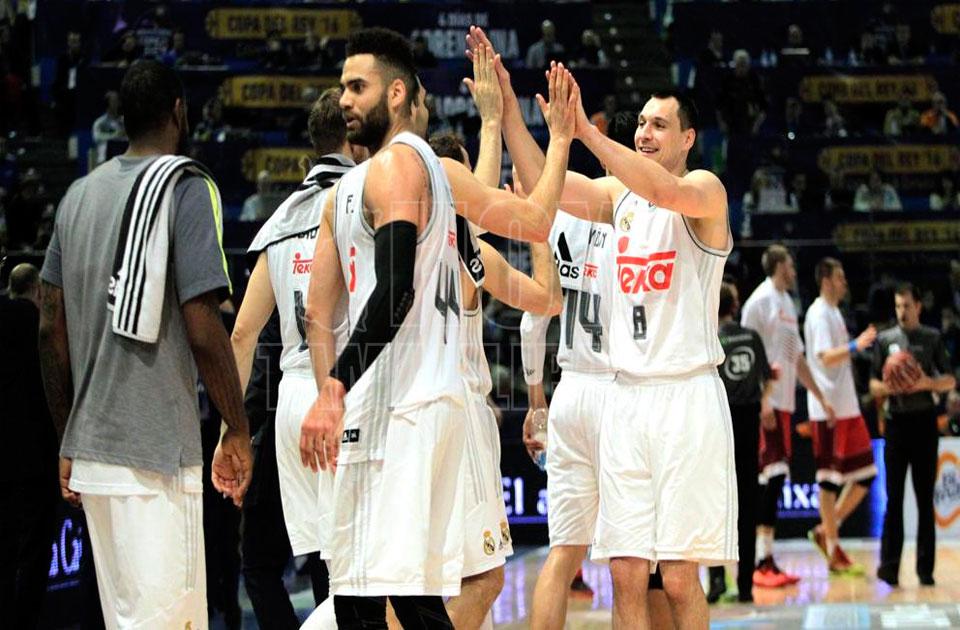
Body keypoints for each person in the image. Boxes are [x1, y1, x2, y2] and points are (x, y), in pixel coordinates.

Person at [299, 27, 573, 628]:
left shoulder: (407, 166)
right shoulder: (351, 191)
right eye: (342, 88)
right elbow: (317, 313)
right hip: (397, 403)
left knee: (389, 594)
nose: (344, 99)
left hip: (410, 407)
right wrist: (331, 396)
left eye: (357, 86)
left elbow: (394, 288)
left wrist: (331, 388)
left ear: (397, 94)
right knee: (375, 594)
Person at [473, 25, 735, 629]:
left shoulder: (705, 189)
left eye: (659, 125)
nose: (645, 132)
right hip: (624, 399)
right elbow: (543, 186)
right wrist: (510, 110)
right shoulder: (617, 196)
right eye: (640, 123)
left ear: (688, 138)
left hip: (686, 397)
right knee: (624, 573)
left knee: (678, 576)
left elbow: (665, 190)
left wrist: (588, 133)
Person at [37, 60, 252, 628]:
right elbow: (203, 323)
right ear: (179, 112)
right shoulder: (185, 187)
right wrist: (237, 425)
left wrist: (66, 434)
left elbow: (49, 328)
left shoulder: (77, 197)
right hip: (154, 454)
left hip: (92, 454)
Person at [429, 41, 565, 629]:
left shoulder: (416, 241)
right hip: (454, 414)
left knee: (428, 584)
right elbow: (546, 295)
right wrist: (491, 122)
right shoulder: (457, 246)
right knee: (482, 580)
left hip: (421, 414)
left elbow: (546, 299)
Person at [230, 87, 361, 627]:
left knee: (320, 562)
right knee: (351, 568)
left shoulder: (280, 217)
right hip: (343, 392)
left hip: (291, 402)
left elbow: (241, 334)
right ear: (355, 137)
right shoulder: (365, 199)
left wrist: (231, 430)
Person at [740, 245, 835, 588]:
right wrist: (762, 401)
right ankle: (758, 560)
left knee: (775, 480)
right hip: (766, 403)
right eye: (791, 265)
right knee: (772, 477)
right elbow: (746, 353)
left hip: (785, 404)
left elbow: (797, 357)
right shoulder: (758, 302)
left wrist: (820, 397)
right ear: (779, 266)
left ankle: (765, 559)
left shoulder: (788, 304)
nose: (794, 270)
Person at [870, 283, 956, 586]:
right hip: (896, 424)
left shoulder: (932, 338)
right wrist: (891, 386)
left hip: (924, 423)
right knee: (893, 498)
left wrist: (924, 384)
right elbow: (872, 385)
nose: (901, 311)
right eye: (898, 306)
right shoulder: (885, 340)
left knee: (923, 498)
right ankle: (889, 566)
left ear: (918, 306)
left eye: (906, 305)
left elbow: (949, 380)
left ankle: (925, 569)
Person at [803, 258, 878, 573]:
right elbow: (825, 358)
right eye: (839, 277)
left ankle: (826, 529)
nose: (844, 282)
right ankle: (833, 549)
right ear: (825, 280)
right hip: (829, 409)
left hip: (848, 406)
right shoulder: (819, 313)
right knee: (829, 481)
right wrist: (856, 345)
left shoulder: (834, 312)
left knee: (866, 474)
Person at [0, 263, 59, 628]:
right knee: (34, 553)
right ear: (39, 291)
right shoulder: (40, 327)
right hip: (36, 457)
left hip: (6, 458)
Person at [708, 281, 774, 604]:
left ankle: (716, 582)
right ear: (735, 306)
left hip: (717, 424)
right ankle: (746, 585)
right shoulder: (751, 337)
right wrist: (765, 403)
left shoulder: (709, 337)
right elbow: (768, 378)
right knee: (747, 504)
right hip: (748, 425)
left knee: (713, 504)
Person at [91, 90, 126, 165]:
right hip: (105, 161)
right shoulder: (100, 122)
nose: (117, 103)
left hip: (122, 161)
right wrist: (115, 135)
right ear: (107, 103)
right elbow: (96, 137)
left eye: (117, 100)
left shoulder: (123, 121)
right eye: (114, 101)